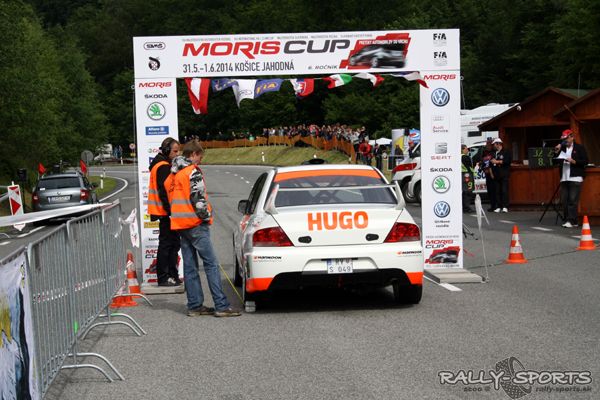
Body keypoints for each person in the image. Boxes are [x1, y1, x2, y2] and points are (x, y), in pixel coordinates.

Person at [167, 140, 241, 317]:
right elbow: (198, 200)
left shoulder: (174, 173)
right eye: (200, 157)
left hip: (180, 224)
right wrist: (206, 217)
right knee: (211, 264)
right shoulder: (192, 172)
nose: (200, 161)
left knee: (190, 266)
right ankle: (221, 305)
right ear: (193, 154)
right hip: (195, 223)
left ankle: (194, 305)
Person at [148, 137, 181, 287]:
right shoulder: (163, 167)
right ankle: (164, 277)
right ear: (167, 150)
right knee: (167, 245)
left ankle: (171, 275)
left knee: (172, 244)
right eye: (175, 151)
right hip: (165, 212)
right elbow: (164, 192)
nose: (177, 154)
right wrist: (171, 211)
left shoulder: (160, 164)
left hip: (164, 212)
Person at [554, 129, 588, 228]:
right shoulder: (562, 148)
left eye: (566, 139)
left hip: (575, 177)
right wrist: (556, 151)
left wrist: (574, 161)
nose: (565, 141)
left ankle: (571, 221)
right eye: (563, 140)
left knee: (572, 200)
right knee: (564, 200)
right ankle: (571, 220)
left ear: (572, 137)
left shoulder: (579, 148)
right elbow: (554, 161)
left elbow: (585, 161)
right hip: (564, 177)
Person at [490, 138, 512, 212]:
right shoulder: (493, 153)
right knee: (497, 191)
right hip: (496, 174)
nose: (493, 146)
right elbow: (491, 163)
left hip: (504, 174)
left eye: (494, 144)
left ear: (498, 144)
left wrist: (497, 161)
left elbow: (507, 161)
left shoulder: (506, 152)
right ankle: (498, 206)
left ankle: (505, 206)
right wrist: (491, 173)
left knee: (504, 190)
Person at [481, 139, 497, 211]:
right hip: (487, 173)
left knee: (494, 190)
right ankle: (492, 205)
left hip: (493, 173)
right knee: (490, 191)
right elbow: (483, 161)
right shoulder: (485, 152)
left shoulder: (494, 152)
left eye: (488, 144)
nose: (487, 145)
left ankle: (495, 206)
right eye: (487, 144)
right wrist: (483, 167)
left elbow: (492, 163)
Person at [461, 144, 474, 213]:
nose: (467, 150)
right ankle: (467, 208)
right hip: (467, 175)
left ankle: (464, 207)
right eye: (466, 149)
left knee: (464, 192)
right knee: (468, 192)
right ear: (462, 150)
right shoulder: (465, 157)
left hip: (462, 175)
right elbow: (470, 166)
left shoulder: (458, 157)